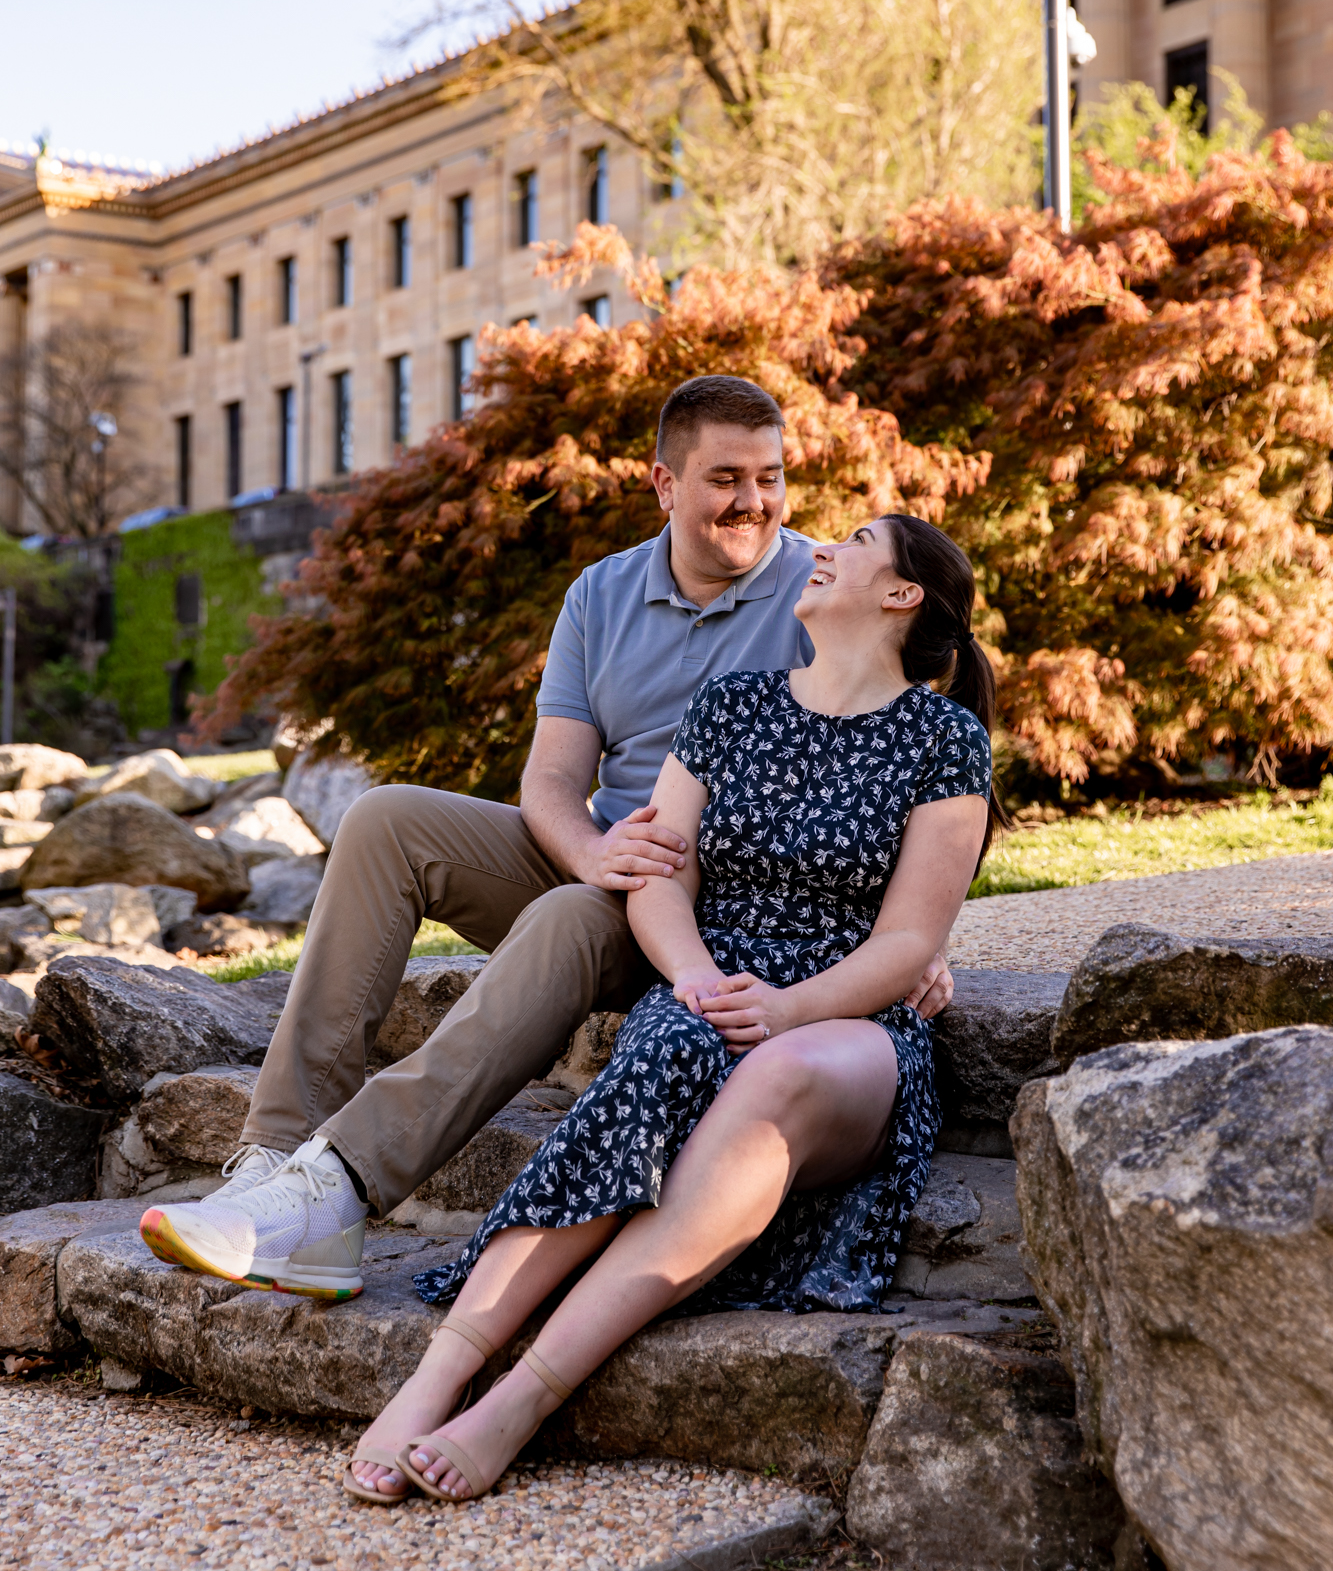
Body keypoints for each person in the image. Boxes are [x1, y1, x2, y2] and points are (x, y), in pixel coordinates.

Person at [139, 376, 956, 1298]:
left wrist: (907, 940)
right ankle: (274, 1163)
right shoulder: (601, 594)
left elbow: (905, 757)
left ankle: (340, 1192)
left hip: (715, 905)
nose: (754, 503)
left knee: (573, 915)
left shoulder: (820, 593)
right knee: (384, 820)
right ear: (663, 484)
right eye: (725, 477)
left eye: (770, 477)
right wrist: (591, 852)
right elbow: (552, 781)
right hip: (606, 859)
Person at [341, 511, 1000, 1505]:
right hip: (709, 980)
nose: (825, 543)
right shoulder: (731, 703)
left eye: (858, 537)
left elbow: (908, 941)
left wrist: (786, 1009)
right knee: (658, 1052)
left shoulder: (944, 739)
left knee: (778, 1072)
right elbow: (656, 864)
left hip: (846, 1024)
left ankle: (520, 1396)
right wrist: (691, 977)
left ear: (903, 593)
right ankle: (437, 1374)